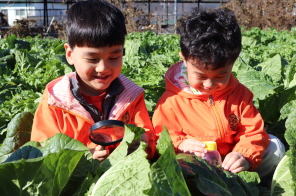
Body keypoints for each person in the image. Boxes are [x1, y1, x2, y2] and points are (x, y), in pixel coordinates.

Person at [152, 7, 285, 184]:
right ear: (184, 59)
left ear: (234, 62)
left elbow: (252, 131)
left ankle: (249, 184)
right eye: (200, 76)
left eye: (221, 76)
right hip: (195, 167)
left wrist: (243, 156)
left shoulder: (240, 94)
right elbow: (161, 136)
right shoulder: (171, 100)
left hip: (231, 164)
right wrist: (180, 145)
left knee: (275, 147)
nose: (209, 85)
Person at [30, 0, 155, 161]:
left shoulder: (132, 96)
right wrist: (83, 159)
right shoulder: (56, 101)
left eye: (114, 57)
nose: (103, 68)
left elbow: (149, 142)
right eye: (92, 59)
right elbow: (42, 152)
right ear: (69, 54)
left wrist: (142, 145)